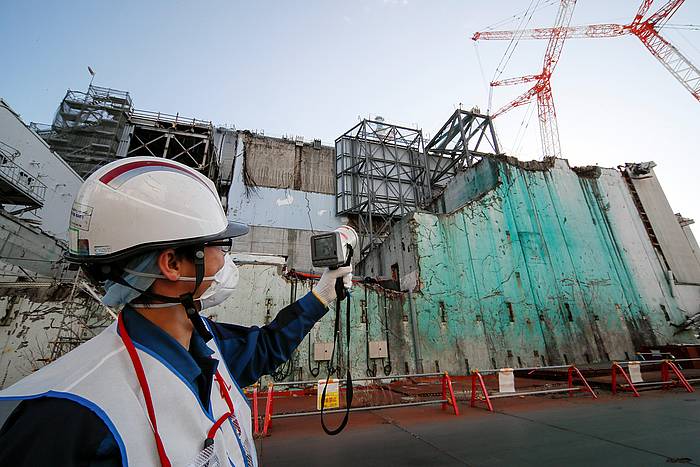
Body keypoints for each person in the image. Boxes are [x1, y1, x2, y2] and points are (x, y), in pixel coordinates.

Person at [0, 157, 352, 466]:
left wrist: (321, 294)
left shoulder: (205, 343)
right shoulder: (66, 417)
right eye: (220, 245)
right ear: (172, 264)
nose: (225, 259)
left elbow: (266, 347)